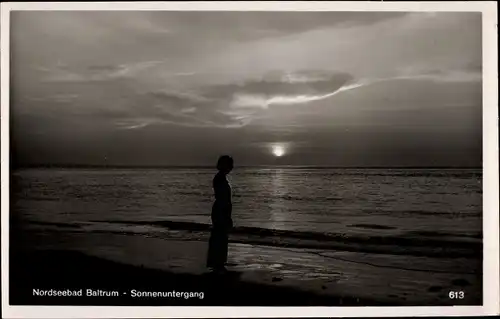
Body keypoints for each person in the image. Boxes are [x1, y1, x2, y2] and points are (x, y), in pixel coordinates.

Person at [206, 155, 234, 273]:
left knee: (220, 235)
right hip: (221, 210)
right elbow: (222, 198)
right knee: (220, 235)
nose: (231, 167)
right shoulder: (220, 178)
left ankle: (217, 262)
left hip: (221, 209)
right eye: (229, 165)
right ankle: (218, 263)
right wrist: (226, 214)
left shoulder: (220, 178)